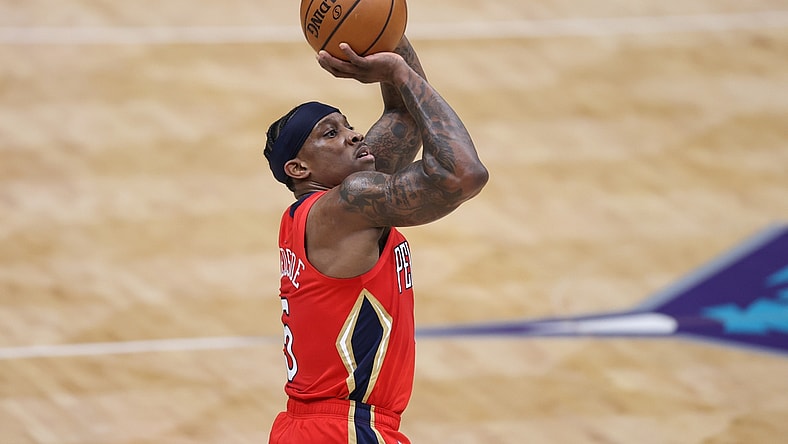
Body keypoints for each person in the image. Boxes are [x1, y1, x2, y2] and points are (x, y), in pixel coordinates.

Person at [264, 36, 488, 444]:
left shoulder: (327, 210)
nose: (353, 135)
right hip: (344, 429)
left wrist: (385, 34)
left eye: (348, 124)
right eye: (330, 134)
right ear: (298, 169)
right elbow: (463, 174)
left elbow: (404, 112)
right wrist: (398, 72)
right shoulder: (348, 204)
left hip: (320, 426)